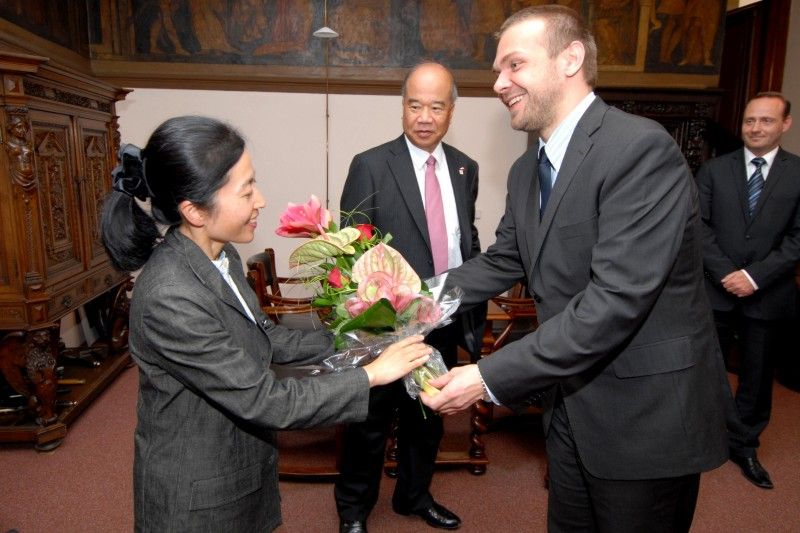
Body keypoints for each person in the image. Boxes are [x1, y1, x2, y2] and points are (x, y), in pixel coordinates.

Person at [421, 6, 729, 532]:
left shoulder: (639, 149)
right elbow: (504, 260)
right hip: (568, 404)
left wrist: (487, 377)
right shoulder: (524, 171)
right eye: (498, 70)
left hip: (644, 415)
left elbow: (613, 304)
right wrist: (412, 296)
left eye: (514, 65)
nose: (499, 83)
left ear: (571, 58)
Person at [100, 116, 431, 532]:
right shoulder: (170, 296)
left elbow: (264, 338)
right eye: (247, 189)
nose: (261, 200)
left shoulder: (220, 256)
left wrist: (361, 336)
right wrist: (371, 375)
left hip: (237, 464)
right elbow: (266, 400)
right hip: (197, 497)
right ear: (195, 210)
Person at [334, 61, 483, 533]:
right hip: (385, 327)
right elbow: (349, 251)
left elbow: (464, 238)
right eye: (415, 105)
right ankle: (353, 511)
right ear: (403, 107)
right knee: (370, 423)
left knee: (428, 420)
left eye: (435, 106)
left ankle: (414, 496)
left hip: (443, 319)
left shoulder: (465, 168)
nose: (424, 116)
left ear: (451, 111)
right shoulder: (371, 164)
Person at [696, 92, 800, 489]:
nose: (756, 128)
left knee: (757, 377)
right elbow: (698, 227)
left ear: (785, 124)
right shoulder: (713, 170)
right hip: (716, 289)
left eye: (766, 121)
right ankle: (708, 438)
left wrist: (754, 277)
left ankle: (745, 445)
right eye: (750, 121)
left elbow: (797, 238)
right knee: (709, 370)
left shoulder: (798, 173)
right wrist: (728, 273)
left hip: (769, 293)